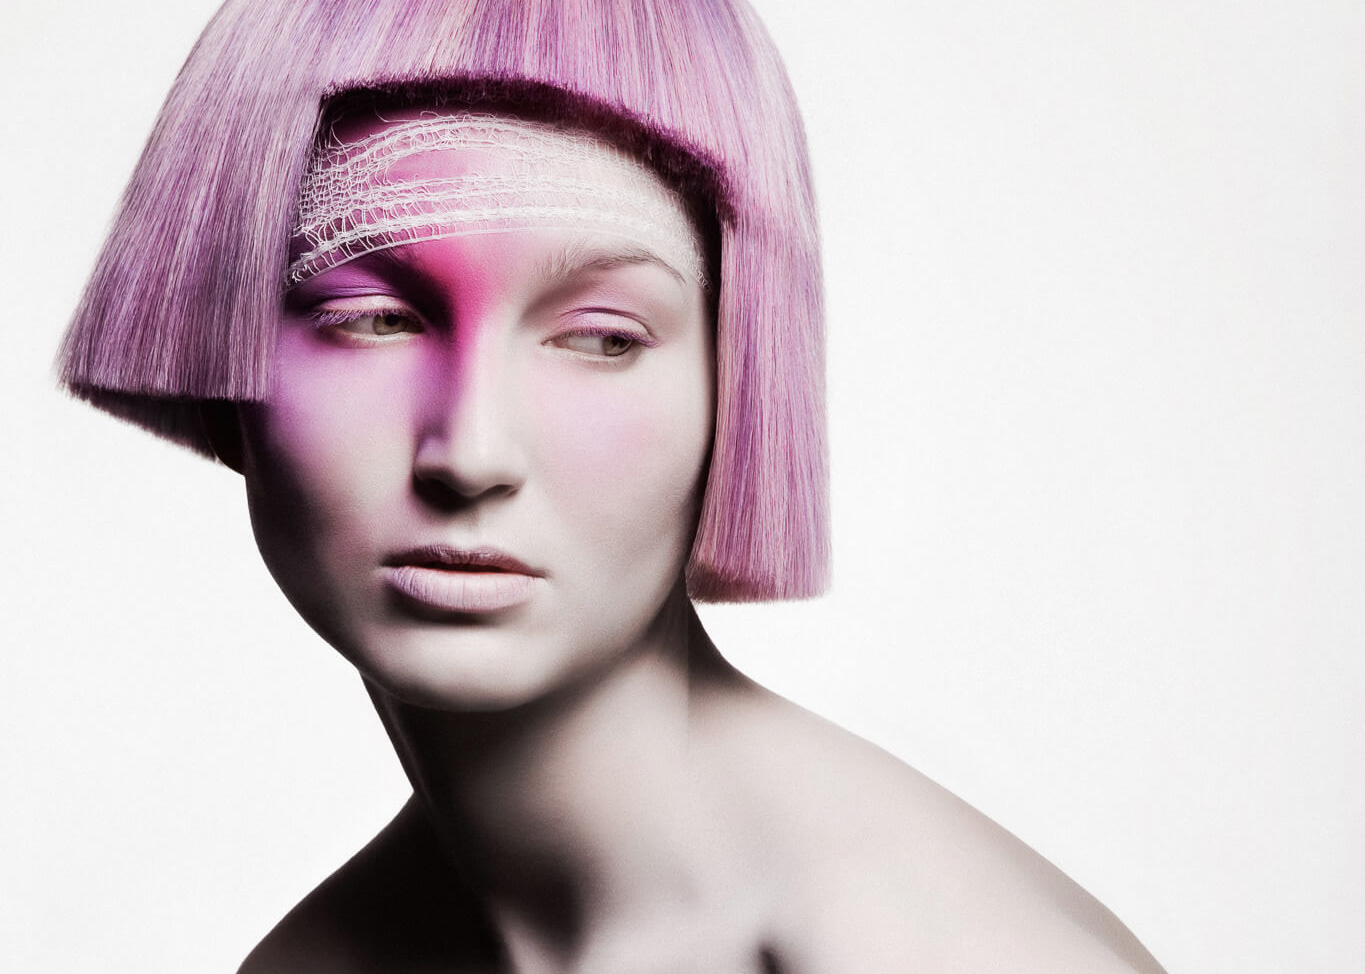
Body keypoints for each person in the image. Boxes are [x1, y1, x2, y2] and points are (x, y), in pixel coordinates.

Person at [56, 1, 1167, 971]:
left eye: (602, 337)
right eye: (374, 319)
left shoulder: (936, 951)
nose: (471, 451)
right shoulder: (314, 960)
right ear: (220, 357)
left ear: (739, 380)